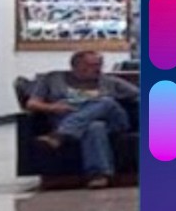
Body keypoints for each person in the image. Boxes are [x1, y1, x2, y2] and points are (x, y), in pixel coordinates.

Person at [25, 50, 139, 187]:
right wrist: (53, 107)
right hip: (70, 120)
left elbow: (141, 95)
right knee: (94, 127)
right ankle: (99, 175)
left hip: (114, 122)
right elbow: (31, 104)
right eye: (91, 65)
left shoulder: (110, 82)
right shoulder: (52, 79)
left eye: (99, 65)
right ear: (75, 66)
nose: (97, 69)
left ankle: (60, 135)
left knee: (106, 102)